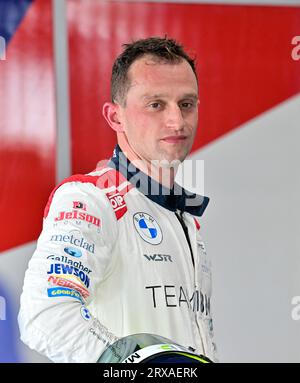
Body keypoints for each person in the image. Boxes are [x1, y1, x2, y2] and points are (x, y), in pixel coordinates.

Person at [18, 36, 217, 363]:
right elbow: (45, 313)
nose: (177, 121)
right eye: (155, 104)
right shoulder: (90, 198)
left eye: (186, 104)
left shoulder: (185, 219)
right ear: (115, 117)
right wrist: (146, 365)